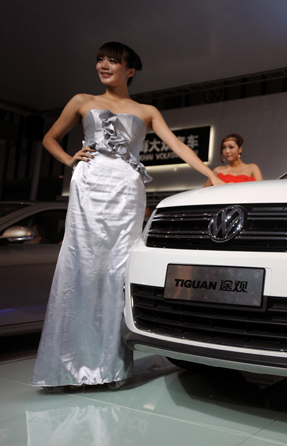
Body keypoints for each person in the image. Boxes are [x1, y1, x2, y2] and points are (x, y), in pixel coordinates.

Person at [30, 42, 224, 392]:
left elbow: (178, 146)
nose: (104, 66)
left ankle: (110, 367)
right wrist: (70, 159)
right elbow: (49, 138)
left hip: (126, 187)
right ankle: (66, 367)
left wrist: (214, 176)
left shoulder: (146, 110)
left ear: (130, 70)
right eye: (100, 60)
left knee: (117, 271)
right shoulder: (81, 101)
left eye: (113, 61)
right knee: (81, 265)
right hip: (90, 184)